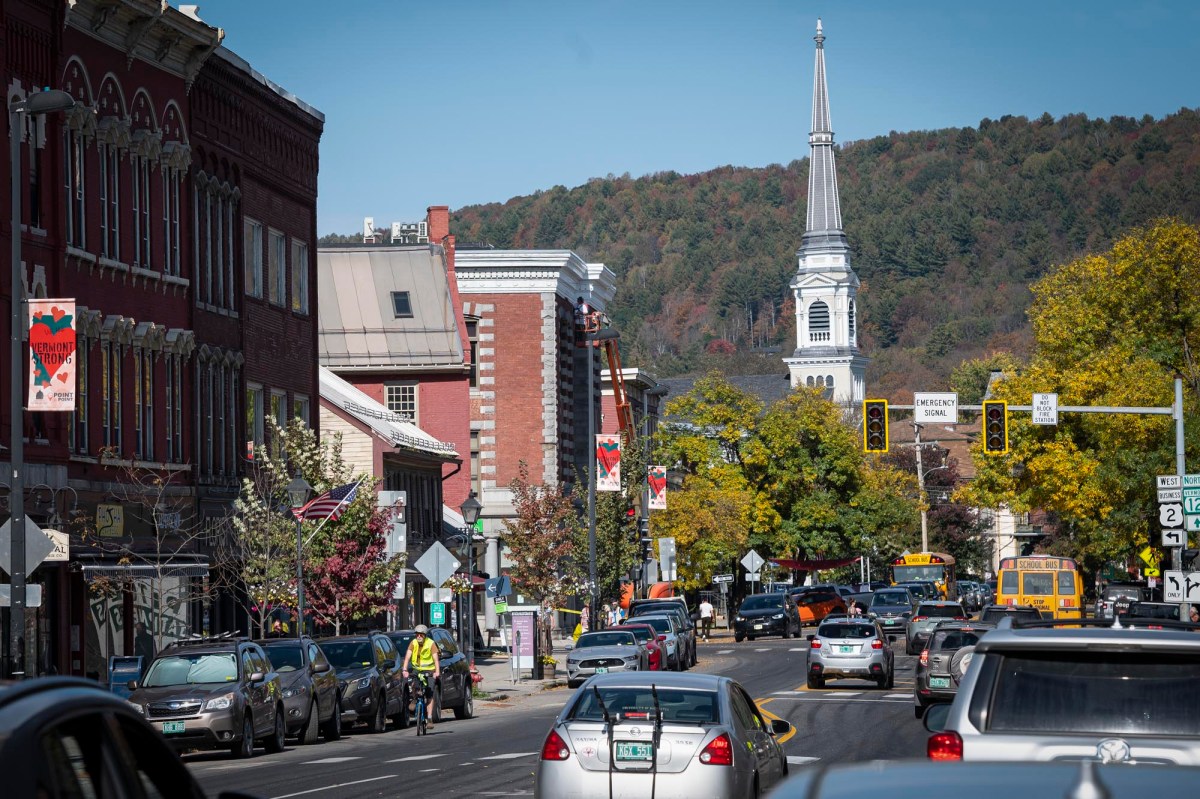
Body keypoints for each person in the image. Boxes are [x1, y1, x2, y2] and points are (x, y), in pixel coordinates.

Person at [401, 624, 441, 729]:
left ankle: (429, 718)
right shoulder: (413, 643)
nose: (418, 636)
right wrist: (404, 669)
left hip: (429, 671)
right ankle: (414, 699)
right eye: (417, 634)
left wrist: (437, 672)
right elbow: (407, 657)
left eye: (421, 635)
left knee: (429, 695)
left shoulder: (431, 643)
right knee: (414, 685)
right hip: (417, 670)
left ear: (425, 635)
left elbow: (436, 660)